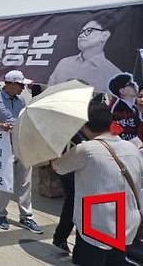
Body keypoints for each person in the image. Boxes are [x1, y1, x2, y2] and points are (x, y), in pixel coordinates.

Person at [52, 96, 143, 265]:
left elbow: (58, 167)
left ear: (85, 125)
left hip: (97, 225)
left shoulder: (86, 149)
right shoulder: (131, 147)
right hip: (127, 224)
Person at [0, 70, 42, 233]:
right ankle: (0, 213)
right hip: (4, 147)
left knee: (25, 182)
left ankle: (26, 216)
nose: (23, 88)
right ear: (11, 84)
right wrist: (0, 126)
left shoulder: (21, 100)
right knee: (5, 182)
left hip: (22, 145)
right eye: (21, 85)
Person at [48, 18, 121, 94]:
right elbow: (49, 91)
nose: (81, 35)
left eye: (88, 31)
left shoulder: (113, 74)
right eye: (81, 32)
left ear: (104, 36)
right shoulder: (64, 63)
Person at [108, 72, 143, 142]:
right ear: (122, 91)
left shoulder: (135, 108)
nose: (135, 84)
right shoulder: (117, 110)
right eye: (131, 84)